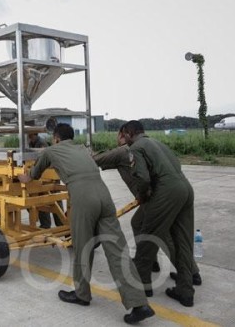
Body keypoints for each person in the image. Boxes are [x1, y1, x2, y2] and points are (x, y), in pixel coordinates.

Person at [18, 123, 154, 324]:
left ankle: (81, 294)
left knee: (83, 246)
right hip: (103, 195)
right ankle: (139, 303)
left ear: (55, 138)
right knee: (118, 250)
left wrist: (21, 176)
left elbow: (32, 176)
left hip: (83, 197)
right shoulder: (82, 148)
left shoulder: (51, 150)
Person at [93, 128, 202, 292]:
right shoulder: (156, 143)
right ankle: (184, 277)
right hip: (183, 189)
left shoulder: (126, 149)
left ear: (125, 135)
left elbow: (96, 160)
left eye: (118, 135)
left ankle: (145, 282)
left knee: (156, 236)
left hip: (161, 196)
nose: (117, 139)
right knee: (140, 223)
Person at [120, 120, 196, 307]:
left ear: (130, 133)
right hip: (185, 189)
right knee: (183, 242)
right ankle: (186, 290)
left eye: (123, 136)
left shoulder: (136, 148)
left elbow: (143, 178)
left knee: (147, 240)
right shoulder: (158, 143)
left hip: (166, 192)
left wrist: (143, 195)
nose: (123, 140)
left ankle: (142, 286)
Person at [28, 133, 61, 229]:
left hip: (50, 175)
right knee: (41, 201)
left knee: (54, 200)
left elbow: (45, 159)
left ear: (32, 135)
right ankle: (45, 225)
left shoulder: (41, 143)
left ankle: (61, 224)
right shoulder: (32, 143)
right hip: (41, 174)